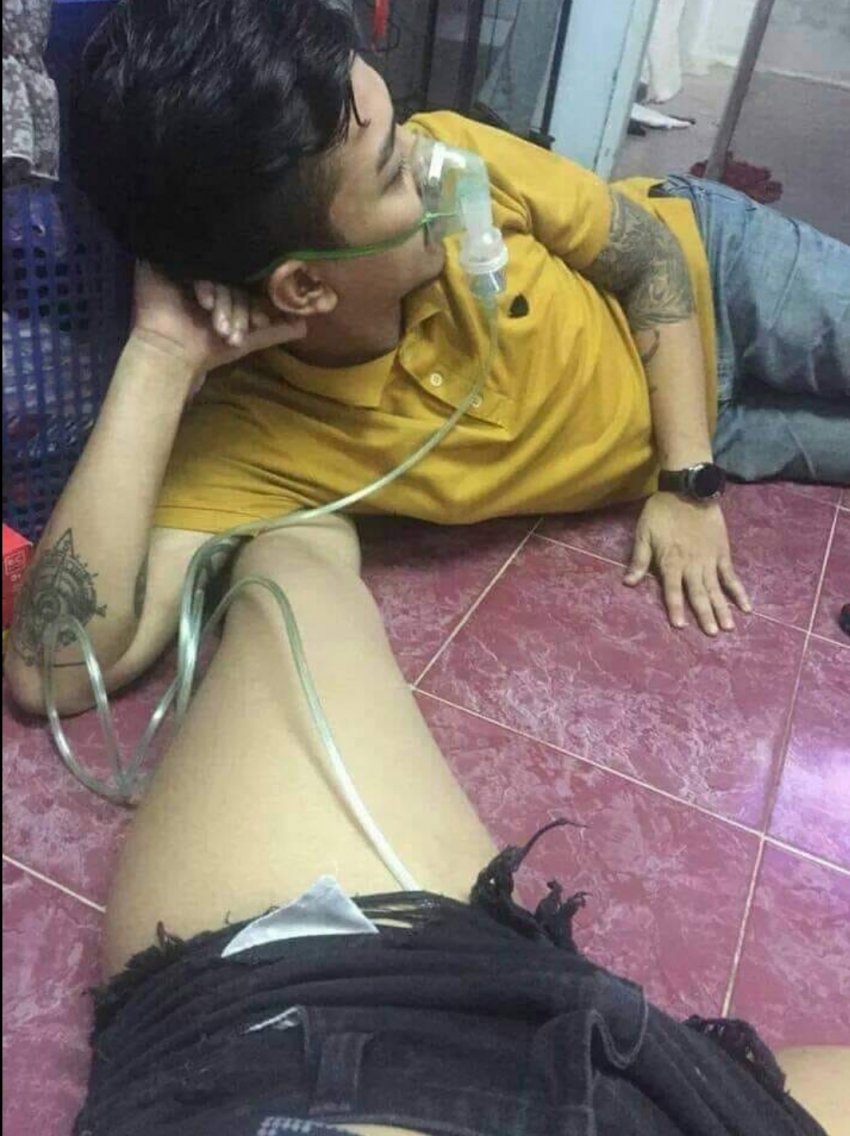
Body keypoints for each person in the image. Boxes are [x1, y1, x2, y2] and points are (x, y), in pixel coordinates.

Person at [3, 1, 848, 1132]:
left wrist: (686, 478)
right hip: (728, 430)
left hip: (714, 283)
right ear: (303, 288)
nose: (441, 163)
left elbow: (646, 257)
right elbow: (53, 671)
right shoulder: (253, 438)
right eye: (398, 171)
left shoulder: (465, 160)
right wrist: (157, 355)